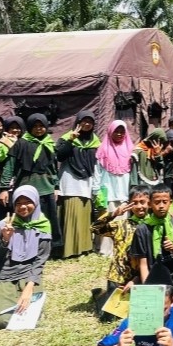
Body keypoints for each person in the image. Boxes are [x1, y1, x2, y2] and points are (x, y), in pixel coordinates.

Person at [0, 186, 52, 329]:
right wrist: (5, 240)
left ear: (36, 202)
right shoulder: (2, 225)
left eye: (28, 202)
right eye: (18, 203)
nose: (23, 207)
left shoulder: (43, 225)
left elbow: (40, 260)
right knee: (0, 321)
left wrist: (30, 287)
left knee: (32, 317)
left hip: (28, 275)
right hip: (3, 276)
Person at [0, 113, 61, 248]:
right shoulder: (21, 143)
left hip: (46, 188)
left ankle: (47, 247)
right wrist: (4, 188)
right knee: (25, 219)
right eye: (35, 126)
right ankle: (24, 246)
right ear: (29, 127)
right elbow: (9, 166)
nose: (38, 129)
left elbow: (53, 169)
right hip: (25, 188)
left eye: (41, 126)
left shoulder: (49, 144)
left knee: (47, 219)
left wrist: (56, 187)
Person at [130, 183, 173, 296]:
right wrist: (147, 289)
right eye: (157, 202)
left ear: (170, 203)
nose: (161, 206)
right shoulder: (142, 230)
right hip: (153, 280)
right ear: (150, 204)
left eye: (165, 202)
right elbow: (143, 264)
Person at [56, 111, 99, 258]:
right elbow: (59, 156)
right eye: (84, 121)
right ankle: (69, 249)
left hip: (86, 182)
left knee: (84, 214)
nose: (87, 124)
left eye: (90, 122)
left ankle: (84, 247)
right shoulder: (66, 137)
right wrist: (70, 140)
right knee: (71, 214)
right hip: (70, 182)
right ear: (78, 122)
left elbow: (97, 164)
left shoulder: (95, 142)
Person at [94, 120, 134, 214]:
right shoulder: (103, 149)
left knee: (123, 222)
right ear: (110, 131)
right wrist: (96, 192)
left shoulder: (130, 150)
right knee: (107, 221)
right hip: (106, 197)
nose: (119, 134)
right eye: (116, 131)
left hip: (124, 197)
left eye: (122, 132)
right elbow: (97, 172)